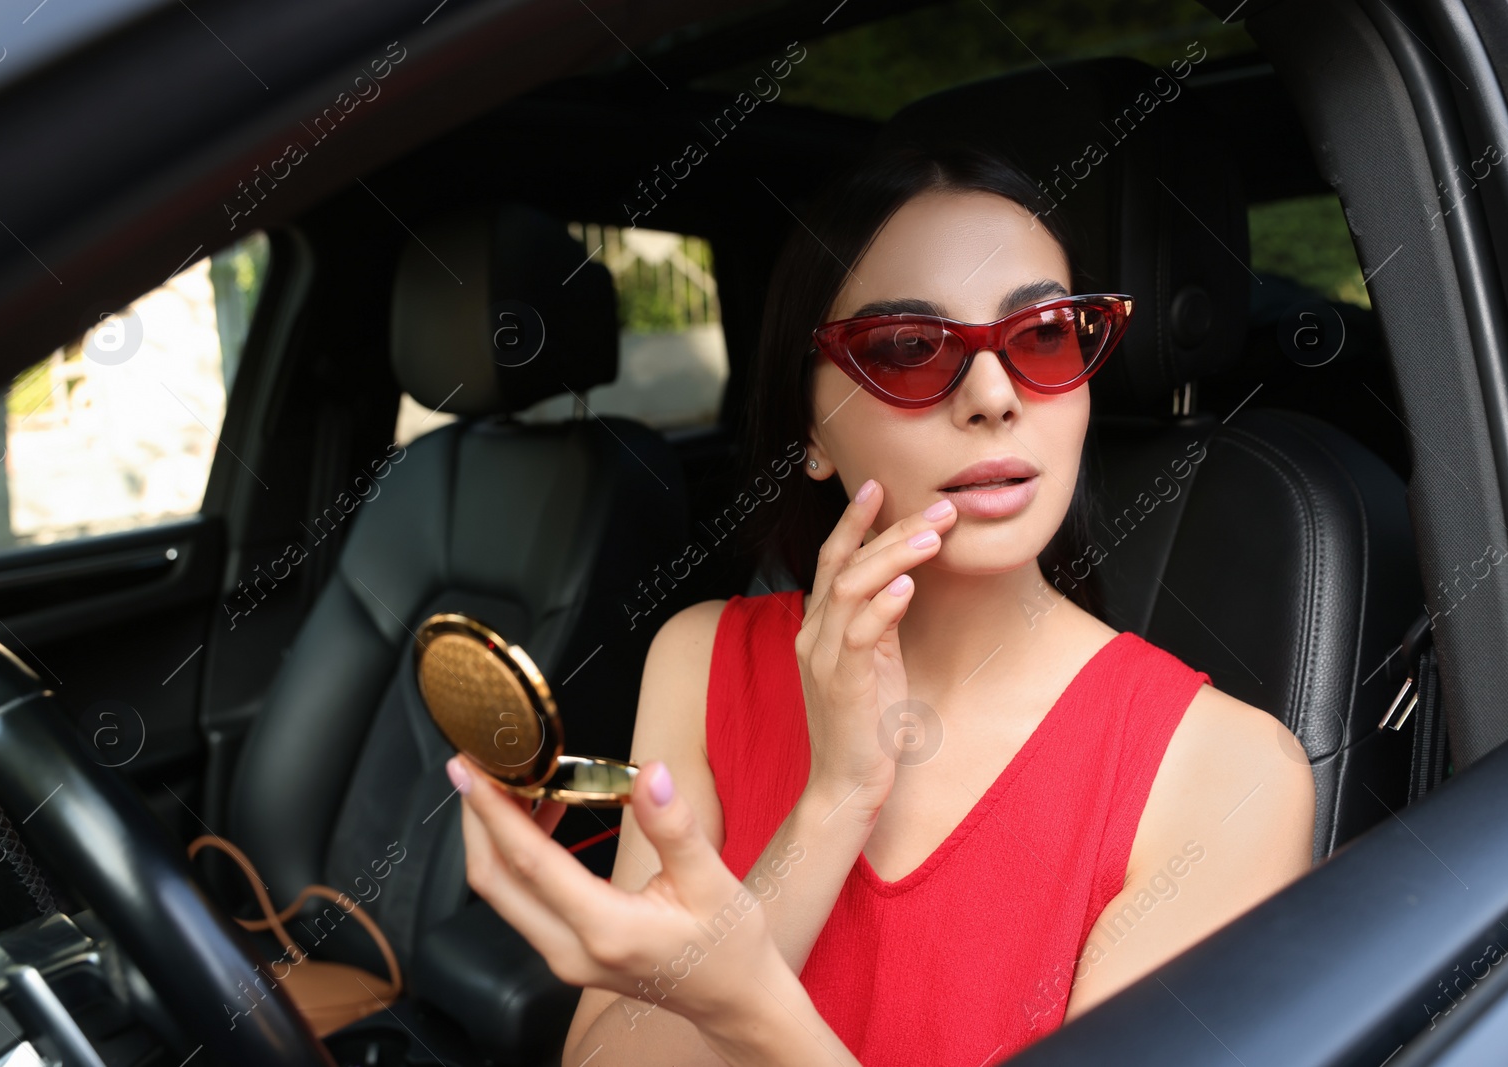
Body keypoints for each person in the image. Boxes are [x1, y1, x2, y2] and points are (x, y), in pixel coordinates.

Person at [443, 139, 1315, 1067]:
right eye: (908, 349)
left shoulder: (1229, 773)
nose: (992, 395)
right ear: (809, 432)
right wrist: (835, 800)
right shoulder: (701, 661)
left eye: (1046, 334)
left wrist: (755, 1013)